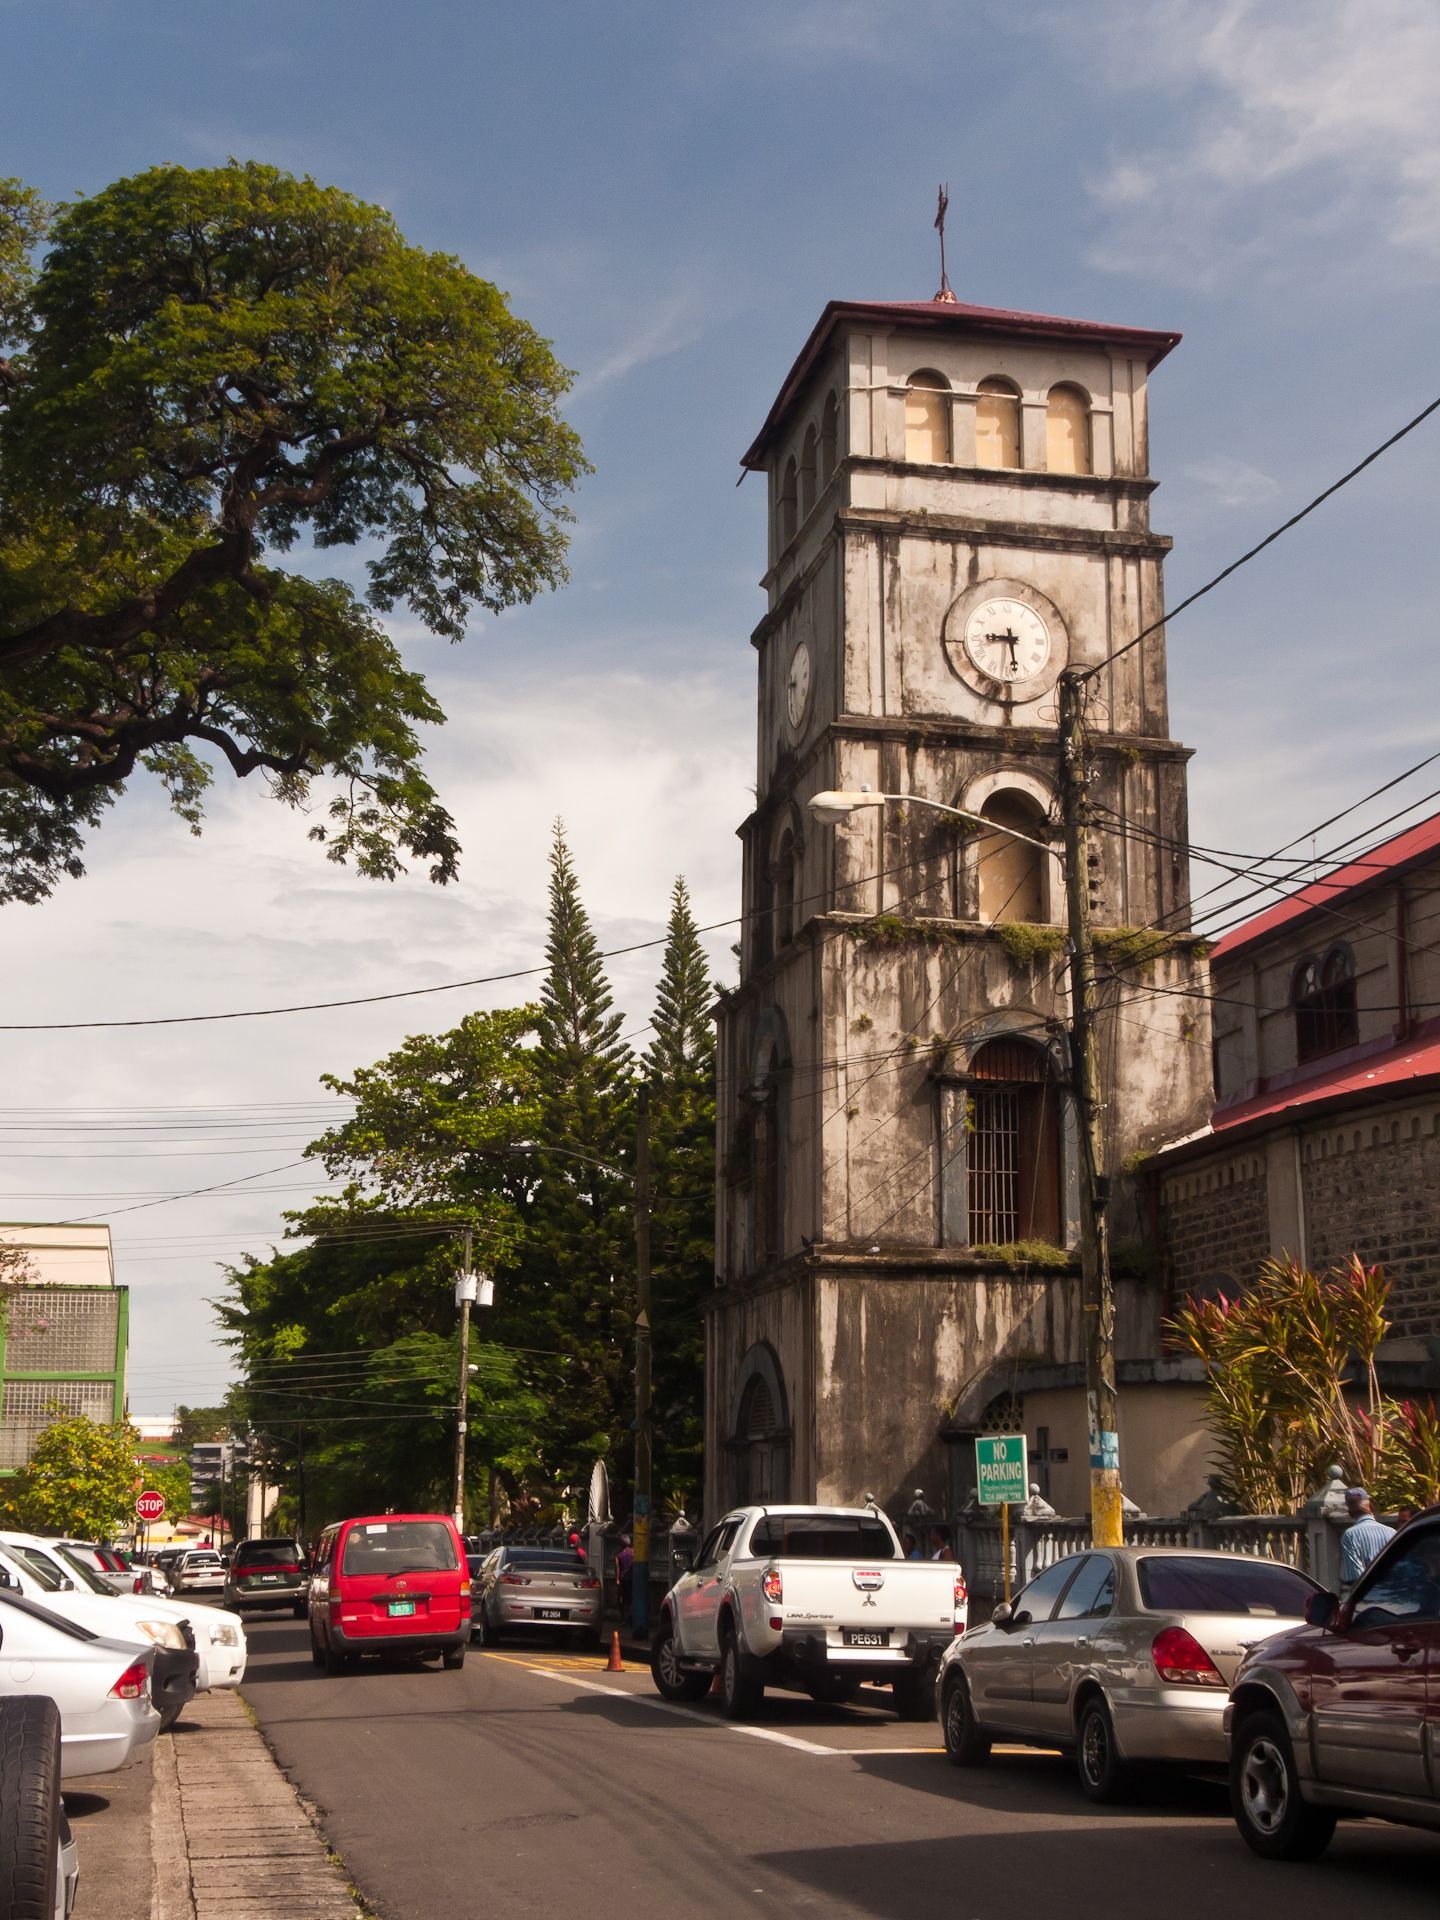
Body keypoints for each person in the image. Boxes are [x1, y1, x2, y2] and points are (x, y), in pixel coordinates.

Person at [1340, 1487, 1395, 1587]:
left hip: (1368, 1596)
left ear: (1350, 1513)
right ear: (1371, 1507)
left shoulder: (1350, 1535)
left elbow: (1355, 1575)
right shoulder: (1392, 1532)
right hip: (1393, 1593)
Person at [616, 1533, 634, 1610]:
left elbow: (618, 1569)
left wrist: (617, 1580)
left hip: (623, 1580)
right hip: (633, 1578)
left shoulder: (618, 1555)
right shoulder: (634, 1552)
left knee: (622, 1598)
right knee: (632, 1598)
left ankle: (623, 1618)